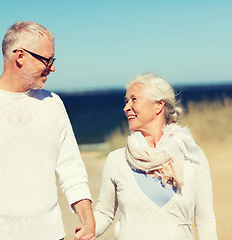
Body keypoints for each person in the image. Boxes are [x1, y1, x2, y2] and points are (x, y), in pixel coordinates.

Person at [0, 21, 96, 240]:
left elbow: (72, 170)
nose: (52, 67)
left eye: (53, 60)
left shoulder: (53, 104)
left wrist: (88, 219)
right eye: (47, 60)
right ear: (20, 56)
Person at [93, 73, 217, 239]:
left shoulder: (192, 156)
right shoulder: (117, 160)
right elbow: (104, 214)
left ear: (159, 105)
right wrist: (87, 229)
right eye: (126, 101)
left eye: (134, 99)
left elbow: (205, 222)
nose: (126, 107)